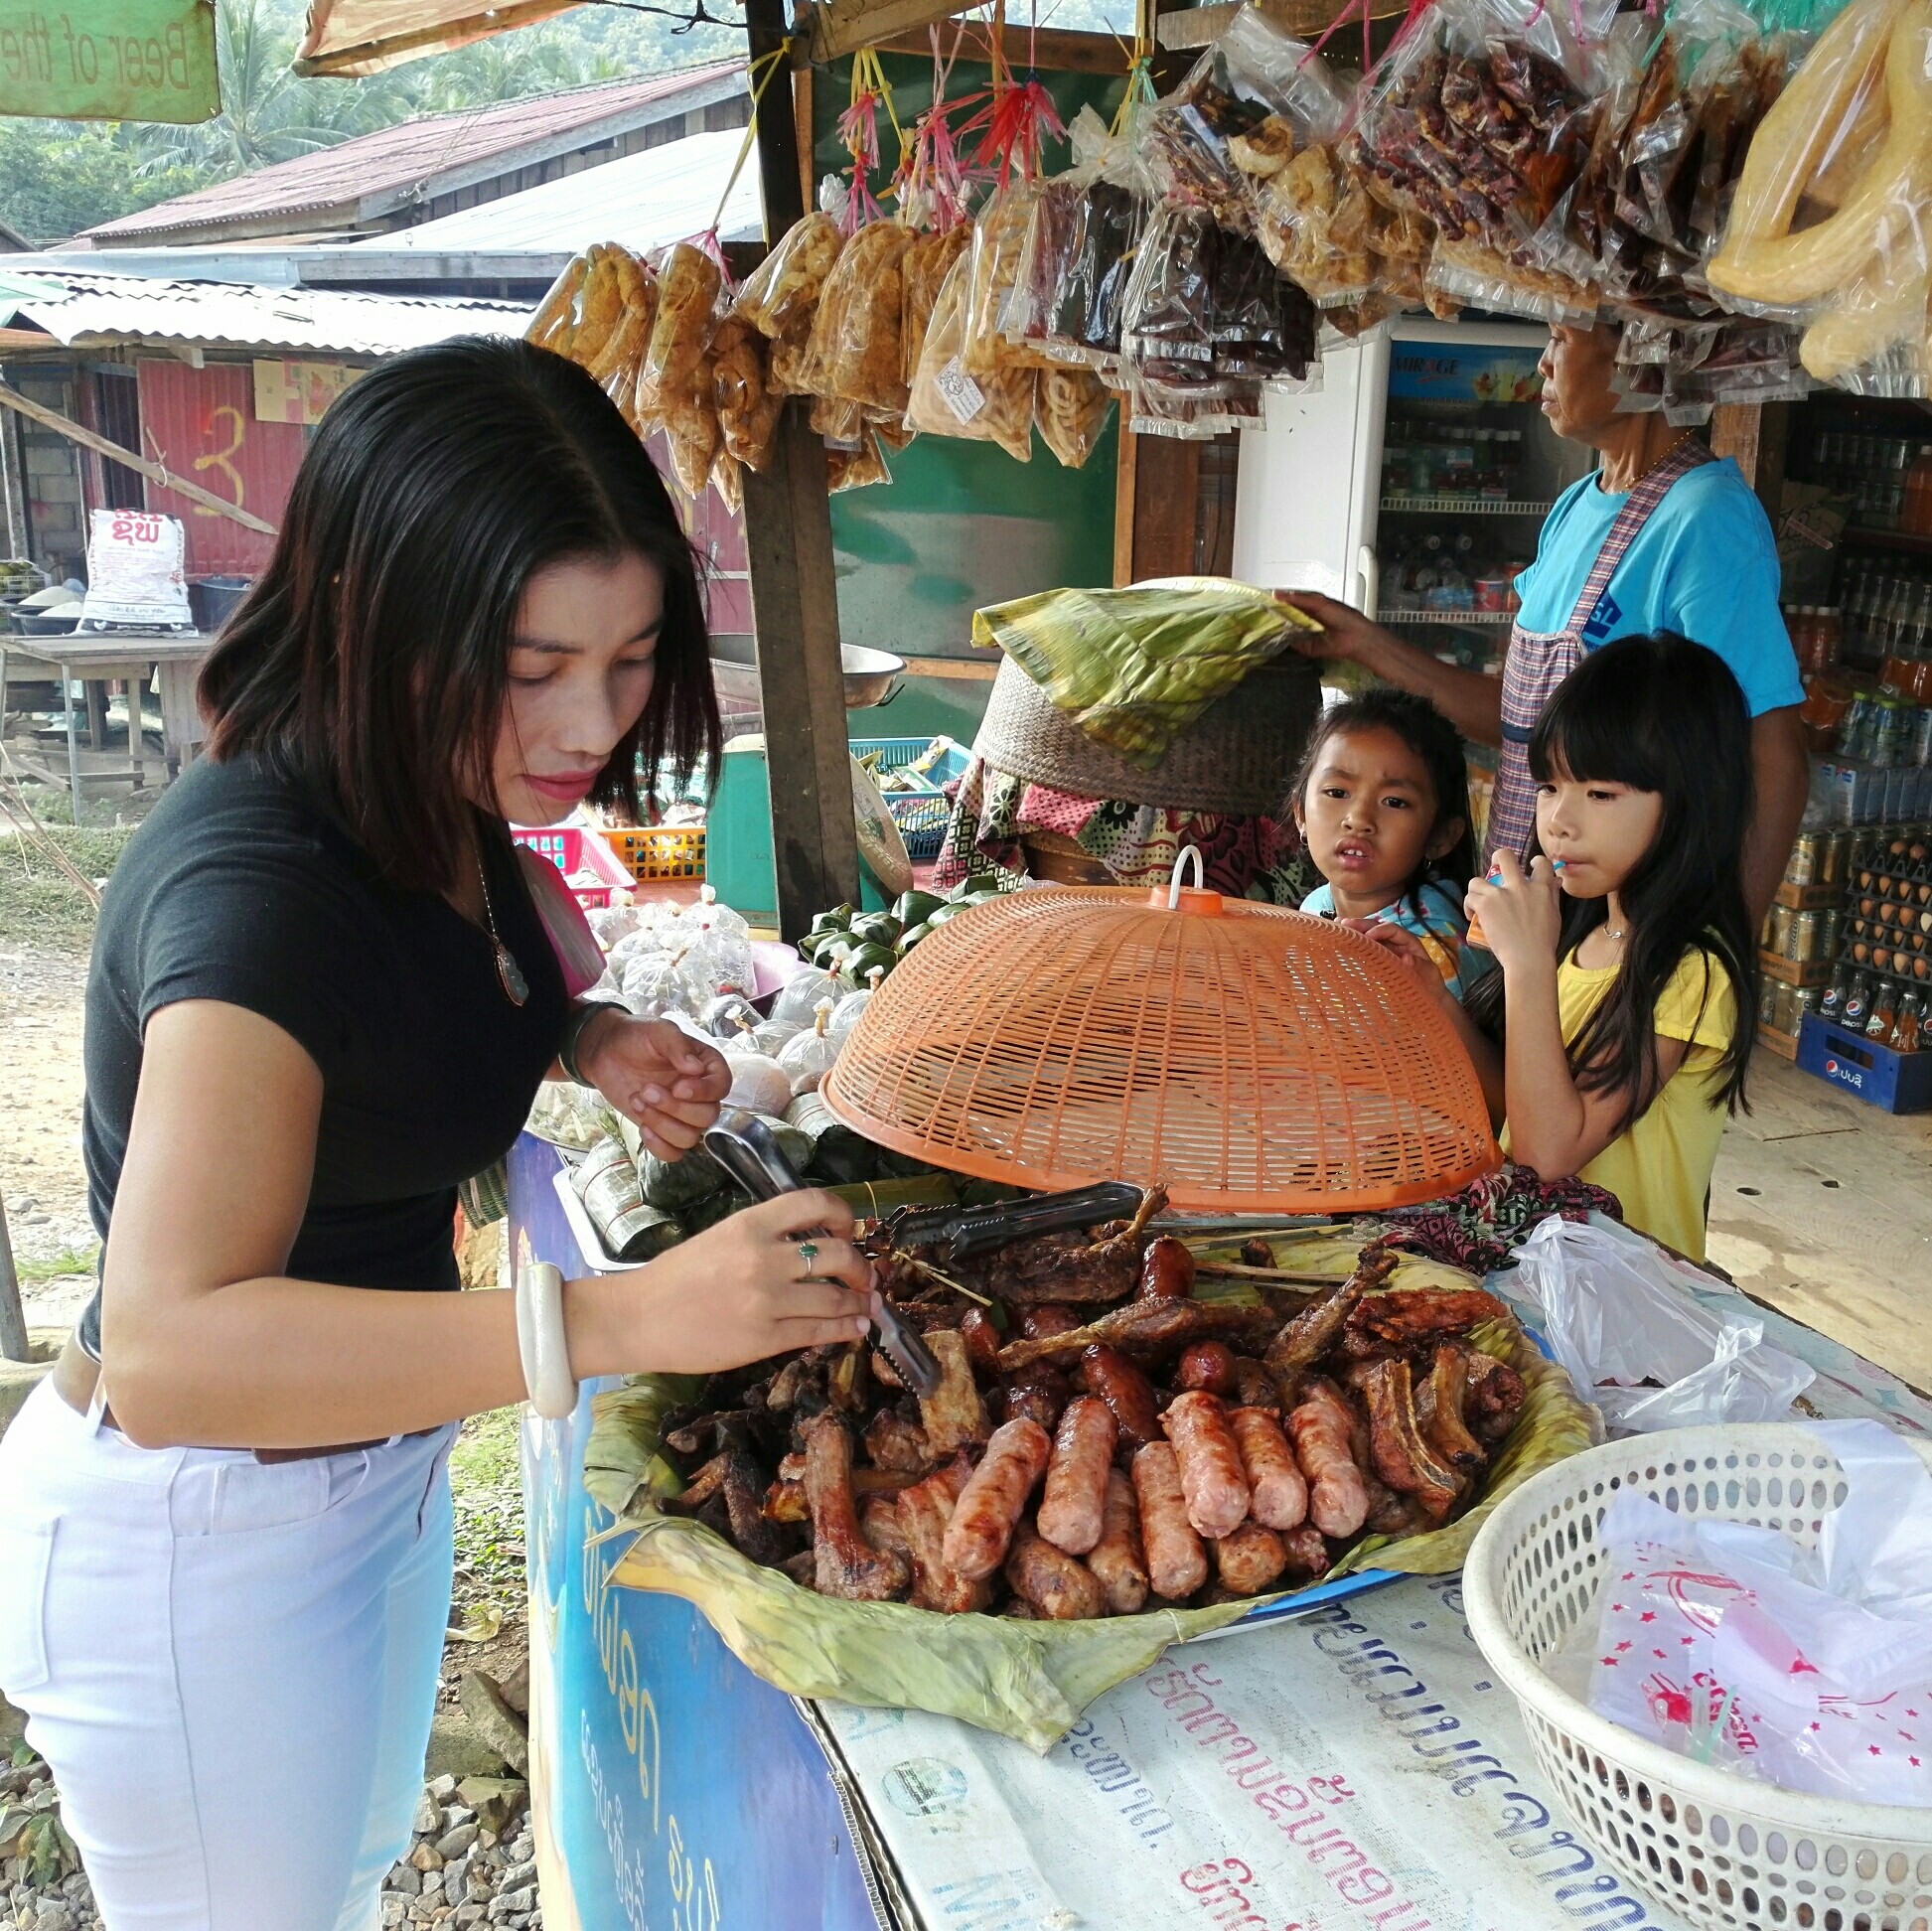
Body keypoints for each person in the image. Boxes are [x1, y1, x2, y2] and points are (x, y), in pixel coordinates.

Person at [0, 339, 881, 1931]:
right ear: (374, 619)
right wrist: (622, 1318)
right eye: (535, 664)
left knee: (338, 1886)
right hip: (202, 1535)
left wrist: (585, 1037)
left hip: (360, 1484)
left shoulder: (426, 788)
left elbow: (426, 998)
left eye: (626, 663)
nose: (590, 721)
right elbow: (173, 1348)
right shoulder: (256, 894)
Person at [1283, 320, 1808, 925]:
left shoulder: (1707, 518)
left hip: (1627, 917)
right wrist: (1361, 640)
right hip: (1532, 901)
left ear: (1643, 351)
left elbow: (1777, 756)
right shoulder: (1575, 506)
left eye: (1561, 337)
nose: (1542, 363)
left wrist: (1714, 945)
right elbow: (1517, 723)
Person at [1377, 633, 1757, 1263]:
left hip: (1626, 1298)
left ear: (1692, 802)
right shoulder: (1581, 936)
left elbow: (1545, 1155)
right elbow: (1515, 1106)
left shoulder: (1692, 970)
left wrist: (1525, 965)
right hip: (1537, 1271)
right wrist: (1432, 998)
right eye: (1551, 786)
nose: (1558, 821)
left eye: (1601, 794)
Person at [1289, 687, 1480, 998]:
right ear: (1301, 814)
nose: (1358, 819)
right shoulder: (1316, 906)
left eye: (1394, 801)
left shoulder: (1432, 957)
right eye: (1337, 793)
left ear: (1441, 836)